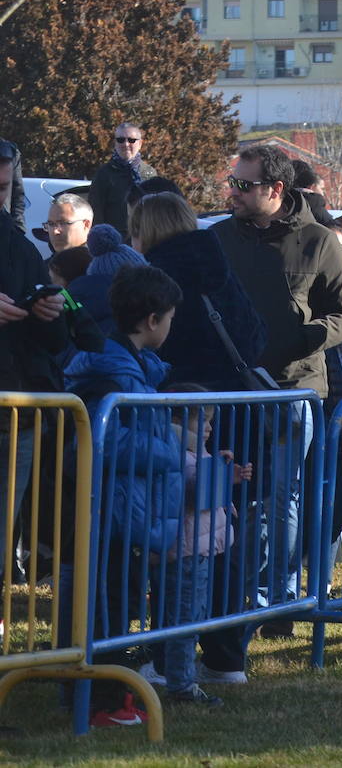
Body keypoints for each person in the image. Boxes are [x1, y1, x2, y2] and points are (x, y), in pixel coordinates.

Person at [211, 143, 342, 643]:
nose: (234, 192)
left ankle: (279, 601)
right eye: (233, 182)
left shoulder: (318, 241)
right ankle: (231, 598)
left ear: (275, 189)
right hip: (231, 387)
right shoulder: (221, 238)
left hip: (293, 390)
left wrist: (310, 335)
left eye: (244, 186)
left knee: (281, 497)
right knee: (232, 494)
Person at [64, 264, 184, 725]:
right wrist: (169, 448)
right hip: (108, 506)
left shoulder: (130, 364)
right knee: (106, 602)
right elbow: (103, 438)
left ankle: (103, 693)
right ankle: (102, 701)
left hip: (118, 505)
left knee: (114, 596)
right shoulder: (115, 369)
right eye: (170, 317)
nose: (171, 327)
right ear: (152, 319)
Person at [146, 385, 253, 708]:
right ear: (178, 420)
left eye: (209, 421)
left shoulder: (197, 451)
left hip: (201, 549)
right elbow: (192, 488)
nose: (208, 427)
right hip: (186, 551)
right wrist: (221, 476)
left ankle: (176, 674)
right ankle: (180, 684)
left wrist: (222, 471)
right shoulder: (176, 449)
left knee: (193, 615)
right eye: (201, 421)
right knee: (185, 619)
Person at [0, 146, 71, 579]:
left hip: (17, 412)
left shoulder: (19, 247)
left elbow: (51, 340)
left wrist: (51, 314)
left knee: (6, 530)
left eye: (4, 188)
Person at [131, 193, 266, 390]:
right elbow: (257, 334)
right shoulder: (218, 265)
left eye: (133, 233)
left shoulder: (154, 279)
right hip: (237, 400)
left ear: (144, 232)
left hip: (177, 400)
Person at [89, 123, 156, 237]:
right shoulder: (104, 174)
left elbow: (156, 210)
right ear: (115, 143)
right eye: (120, 140)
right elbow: (96, 211)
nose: (126, 144)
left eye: (131, 140)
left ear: (140, 143)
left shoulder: (149, 173)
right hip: (115, 240)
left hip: (145, 238)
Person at [290, 159, 335, 228]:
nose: (323, 193)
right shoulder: (315, 205)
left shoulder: (278, 204)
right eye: (322, 188)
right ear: (312, 186)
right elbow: (334, 229)